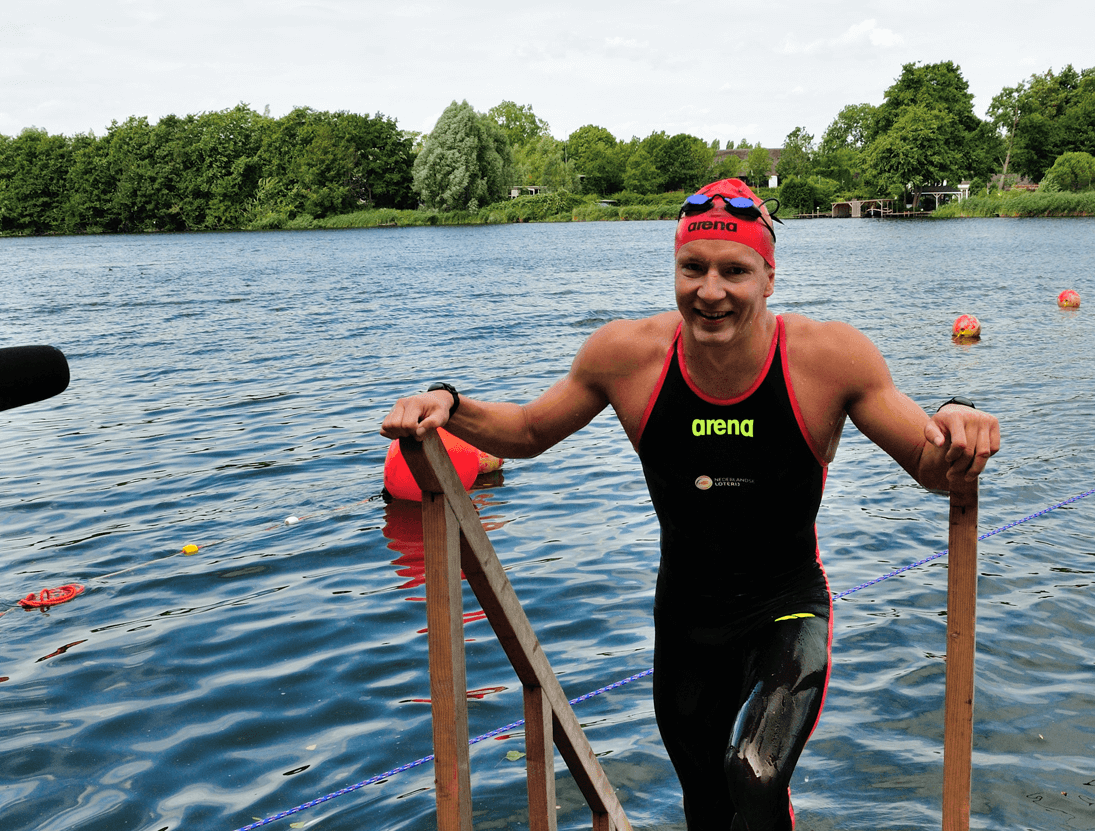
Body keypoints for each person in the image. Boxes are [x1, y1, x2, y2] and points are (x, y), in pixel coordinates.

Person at [380, 178, 1000, 830]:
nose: (711, 291)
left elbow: (930, 465)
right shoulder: (626, 358)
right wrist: (448, 402)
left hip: (785, 612)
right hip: (686, 626)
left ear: (768, 277)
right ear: (674, 268)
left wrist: (955, 419)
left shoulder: (828, 358)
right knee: (706, 804)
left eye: (735, 271)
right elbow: (531, 430)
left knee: (754, 771)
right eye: (692, 268)